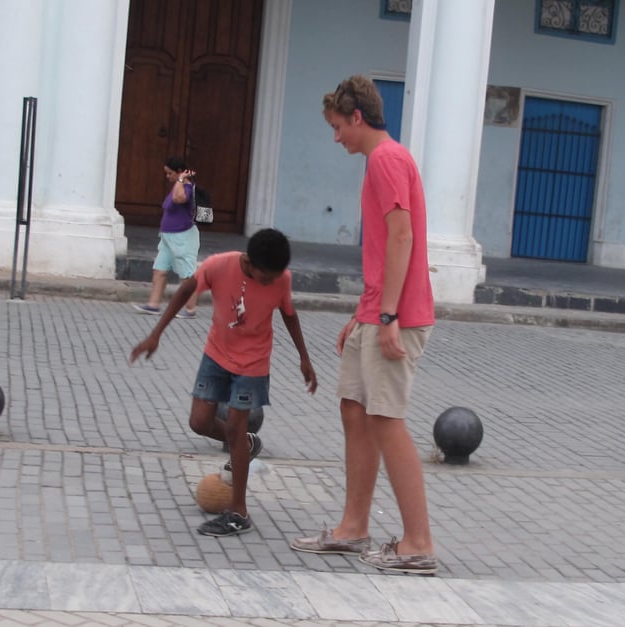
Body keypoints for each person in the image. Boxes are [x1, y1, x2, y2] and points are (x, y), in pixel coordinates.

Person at [290, 76, 437, 574]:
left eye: (337, 127)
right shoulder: (379, 162)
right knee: (354, 410)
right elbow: (381, 249)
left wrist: (390, 316)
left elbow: (402, 237)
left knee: (386, 420)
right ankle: (353, 529)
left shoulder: (388, 160)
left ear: (357, 118)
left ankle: (418, 543)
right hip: (376, 311)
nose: (335, 138)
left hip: (398, 316)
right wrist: (363, 312)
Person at [130, 228, 318, 537]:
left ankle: (238, 512)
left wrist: (304, 358)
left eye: (276, 276)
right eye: (266, 276)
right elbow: (183, 292)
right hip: (216, 356)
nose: (272, 282)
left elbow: (289, 314)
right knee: (199, 422)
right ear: (250, 262)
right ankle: (244, 446)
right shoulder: (219, 265)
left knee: (235, 425)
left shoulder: (282, 278)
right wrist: (156, 334)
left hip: (254, 363)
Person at [132, 156, 200, 318]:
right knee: (160, 270)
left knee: (187, 273)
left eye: (170, 173)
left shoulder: (187, 187)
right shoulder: (179, 185)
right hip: (168, 237)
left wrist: (182, 178)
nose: (167, 176)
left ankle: (190, 309)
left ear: (178, 172)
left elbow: (178, 199)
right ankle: (153, 305)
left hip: (182, 236)